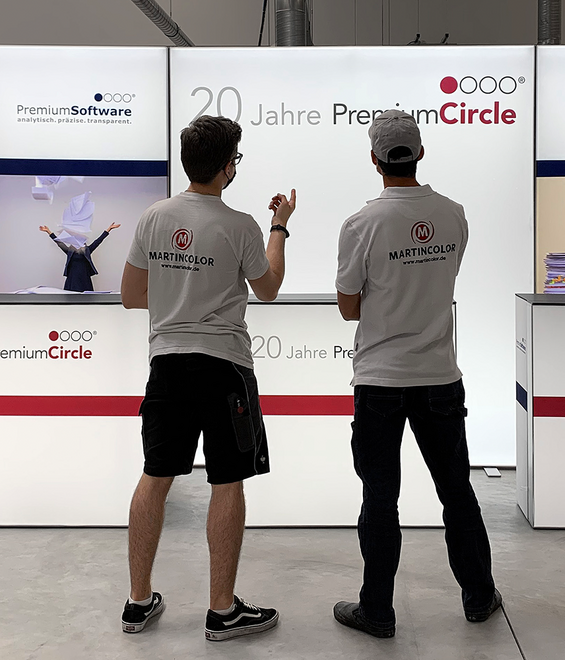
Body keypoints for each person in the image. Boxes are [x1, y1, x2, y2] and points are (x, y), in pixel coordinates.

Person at [118, 114, 296, 642]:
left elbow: (131, 296)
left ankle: (138, 601)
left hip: (167, 363)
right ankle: (222, 610)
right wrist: (279, 227)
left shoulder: (154, 218)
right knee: (227, 480)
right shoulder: (240, 225)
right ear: (226, 168)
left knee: (155, 475)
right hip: (224, 366)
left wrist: (178, 300)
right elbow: (269, 288)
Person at [332, 109, 500, 639]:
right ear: (421, 152)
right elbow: (442, 280)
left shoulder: (361, 224)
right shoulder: (454, 215)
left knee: (380, 498)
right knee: (457, 491)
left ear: (374, 159)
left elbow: (348, 308)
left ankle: (377, 611)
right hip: (439, 375)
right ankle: (479, 596)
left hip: (380, 378)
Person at [38, 222, 121, 292]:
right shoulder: (69, 251)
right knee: (70, 297)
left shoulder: (87, 250)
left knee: (86, 298)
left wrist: (109, 229)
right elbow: (59, 243)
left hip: (84, 277)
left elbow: (98, 241)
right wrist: (48, 232)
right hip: (72, 278)